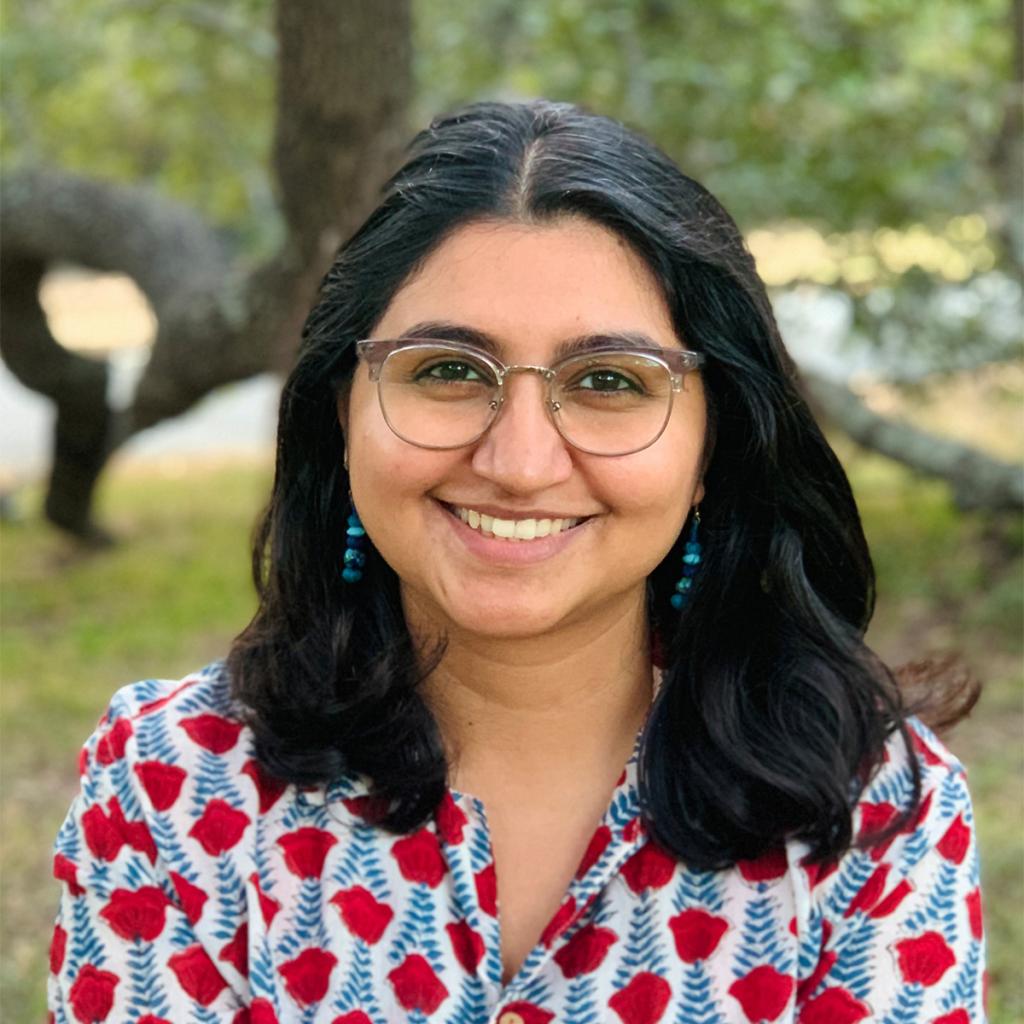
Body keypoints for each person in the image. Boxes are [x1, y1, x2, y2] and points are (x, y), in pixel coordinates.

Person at [48, 101, 985, 1023]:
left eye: (609, 382)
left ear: (714, 445)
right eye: (449, 370)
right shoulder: (173, 786)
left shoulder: (871, 811)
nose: (520, 465)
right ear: (344, 412)